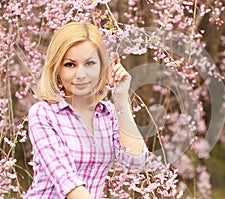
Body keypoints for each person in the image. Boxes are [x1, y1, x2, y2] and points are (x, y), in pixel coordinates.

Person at [24, 22, 148, 199]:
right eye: (70, 65)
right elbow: (68, 183)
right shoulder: (44, 114)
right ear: (57, 69)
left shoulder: (109, 114)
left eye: (89, 63)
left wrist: (121, 98)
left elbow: (135, 162)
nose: (80, 74)